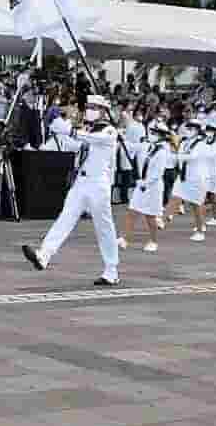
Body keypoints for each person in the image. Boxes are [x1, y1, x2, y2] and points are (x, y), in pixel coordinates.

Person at [22, 97, 121, 286]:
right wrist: (56, 125)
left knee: (104, 228)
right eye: (89, 107)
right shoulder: (88, 130)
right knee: (65, 218)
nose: (89, 110)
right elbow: (76, 144)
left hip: (98, 184)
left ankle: (111, 270)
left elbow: (89, 139)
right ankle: (43, 255)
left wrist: (66, 128)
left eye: (94, 108)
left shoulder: (109, 131)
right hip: (81, 182)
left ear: (103, 111)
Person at [121, 122, 175, 253]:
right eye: (152, 132)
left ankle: (153, 241)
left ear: (161, 136)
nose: (151, 135)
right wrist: (121, 138)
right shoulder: (148, 146)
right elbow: (133, 147)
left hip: (153, 187)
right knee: (132, 212)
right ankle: (125, 239)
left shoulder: (163, 151)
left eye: (154, 133)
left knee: (150, 216)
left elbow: (157, 173)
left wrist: (145, 183)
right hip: (142, 185)